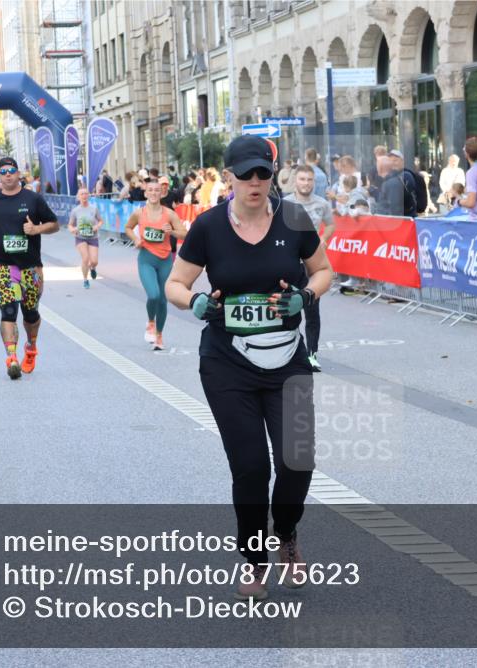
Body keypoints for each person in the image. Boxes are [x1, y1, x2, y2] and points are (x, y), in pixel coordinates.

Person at [166, 135, 333, 600]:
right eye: (246, 175)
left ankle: (287, 533)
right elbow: (177, 284)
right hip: (227, 365)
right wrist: (198, 302)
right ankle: (256, 560)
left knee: (298, 461)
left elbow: (323, 271)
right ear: (230, 176)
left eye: (263, 173)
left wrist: (306, 295)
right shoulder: (208, 226)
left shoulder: (294, 219)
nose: (255, 183)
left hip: (287, 360)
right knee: (252, 467)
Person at [0, 157, 59, 380]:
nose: (8, 174)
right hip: (3, 265)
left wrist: (36, 229)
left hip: (30, 266)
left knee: (31, 314)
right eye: (3, 172)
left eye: (11, 170)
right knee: (8, 311)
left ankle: (31, 347)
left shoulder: (33, 199)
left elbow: (54, 224)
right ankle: (11, 357)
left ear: (18, 173)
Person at [125, 179, 187, 351]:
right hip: (146, 259)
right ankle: (150, 322)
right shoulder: (139, 213)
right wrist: (136, 239)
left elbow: (184, 233)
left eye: (156, 190)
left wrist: (172, 231)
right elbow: (128, 227)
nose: (153, 193)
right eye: (150, 190)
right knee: (153, 295)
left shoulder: (169, 214)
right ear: (145, 193)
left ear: (161, 193)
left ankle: (159, 335)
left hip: (165, 260)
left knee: (162, 300)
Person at [285, 164, 337, 371]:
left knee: (312, 311)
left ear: (314, 182)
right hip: (288, 264)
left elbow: (331, 224)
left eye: (309, 180)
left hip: (312, 264)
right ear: (295, 181)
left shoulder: (321, 203)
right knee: (287, 310)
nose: (305, 184)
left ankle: (312, 355)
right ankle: (287, 355)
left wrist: (323, 238)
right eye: (302, 179)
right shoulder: (284, 203)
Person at [68, 187, 103, 289]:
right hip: (80, 237)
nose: (84, 196)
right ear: (78, 197)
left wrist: (97, 226)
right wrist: (72, 229)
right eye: (82, 194)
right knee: (85, 258)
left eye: (86, 194)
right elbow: (70, 225)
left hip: (93, 237)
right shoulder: (75, 211)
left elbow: (100, 220)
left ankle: (92, 268)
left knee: (94, 261)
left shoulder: (94, 208)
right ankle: (85, 279)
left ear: (88, 196)